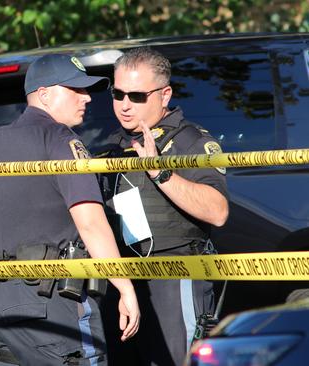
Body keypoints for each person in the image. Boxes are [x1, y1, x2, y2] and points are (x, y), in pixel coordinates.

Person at [0, 54, 140, 366]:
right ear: (44, 94)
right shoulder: (61, 140)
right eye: (75, 90)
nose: (86, 98)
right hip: (52, 308)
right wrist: (124, 286)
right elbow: (90, 223)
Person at [98, 47, 229, 366]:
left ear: (164, 94)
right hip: (121, 280)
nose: (125, 104)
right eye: (117, 93)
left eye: (137, 95)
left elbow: (218, 211)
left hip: (174, 277)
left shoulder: (192, 142)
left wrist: (159, 171)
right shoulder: (110, 146)